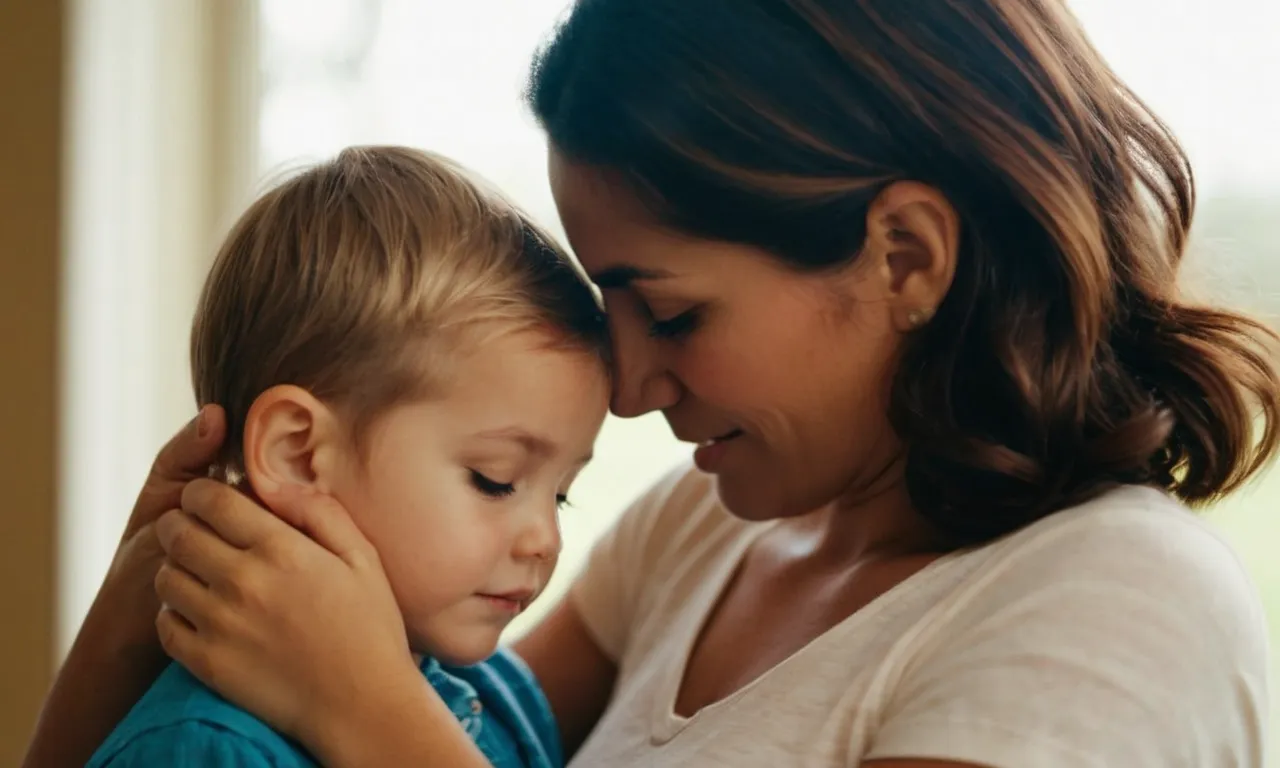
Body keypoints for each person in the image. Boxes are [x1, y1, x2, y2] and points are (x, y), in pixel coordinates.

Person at [24, 0, 1280, 766]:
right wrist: (156, 604)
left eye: (669, 309)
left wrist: (357, 709)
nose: (624, 389)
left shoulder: (1111, 613)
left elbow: (381, 714)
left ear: (904, 254)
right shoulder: (708, 528)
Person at [77, 146, 611, 767]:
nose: (545, 540)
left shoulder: (500, 696)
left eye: (562, 492)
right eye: (494, 481)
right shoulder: (204, 751)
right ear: (299, 454)